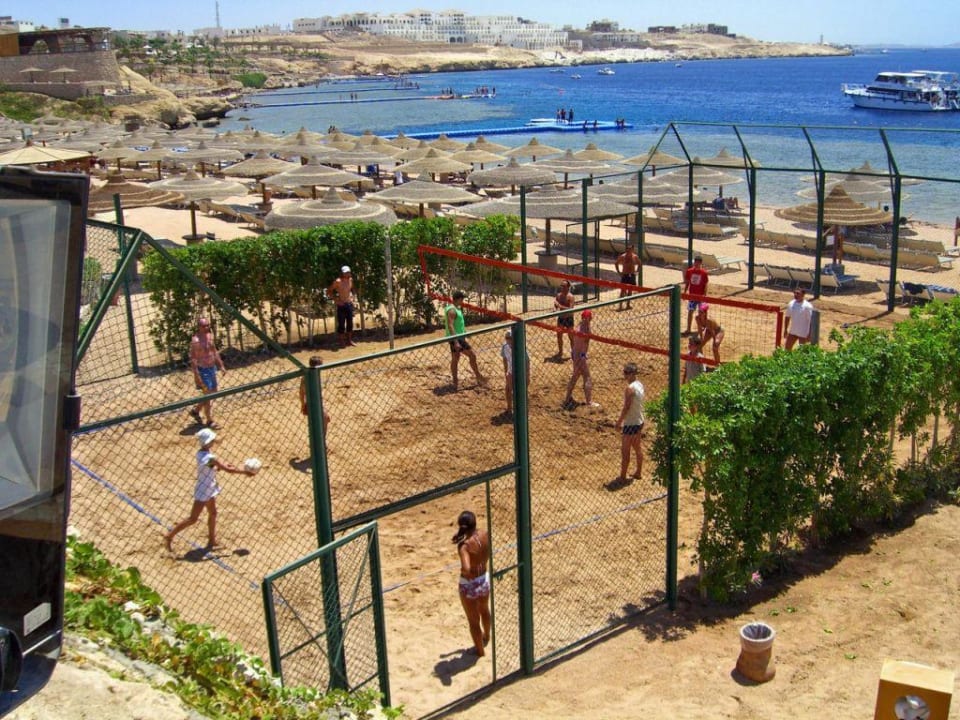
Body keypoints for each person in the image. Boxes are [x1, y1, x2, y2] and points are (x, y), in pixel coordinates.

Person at [164, 428, 255, 551]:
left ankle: (212, 540)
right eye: (212, 440)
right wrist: (245, 472)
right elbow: (228, 470)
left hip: (209, 488)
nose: (214, 441)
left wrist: (220, 467)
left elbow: (212, 467)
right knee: (193, 519)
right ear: (208, 442)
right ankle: (169, 536)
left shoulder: (201, 453)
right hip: (203, 491)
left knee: (213, 513)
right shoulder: (211, 457)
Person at [452, 510, 491, 656]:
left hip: (469, 585)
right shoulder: (484, 535)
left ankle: (480, 652)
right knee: (485, 609)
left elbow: (466, 568)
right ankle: (487, 636)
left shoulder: (464, 547)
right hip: (484, 579)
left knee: (473, 621)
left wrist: (465, 573)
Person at [445, 290, 487, 390]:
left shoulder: (456, 309)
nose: (463, 301)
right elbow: (450, 326)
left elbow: (457, 325)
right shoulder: (452, 310)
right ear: (459, 299)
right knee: (472, 355)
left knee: (456, 358)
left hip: (458, 337)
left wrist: (465, 333)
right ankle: (478, 377)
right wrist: (455, 341)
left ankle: (455, 382)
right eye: (462, 299)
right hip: (457, 338)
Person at [189, 316, 225, 429]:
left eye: (207, 325)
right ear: (199, 327)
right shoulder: (195, 341)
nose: (206, 327)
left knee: (212, 392)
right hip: (203, 370)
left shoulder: (210, 337)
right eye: (204, 326)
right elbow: (193, 359)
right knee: (208, 395)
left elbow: (214, 352)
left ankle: (196, 410)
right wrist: (196, 375)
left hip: (211, 368)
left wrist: (221, 365)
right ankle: (209, 421)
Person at [614, 363, 645, 485]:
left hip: (630, 423)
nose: (624, 375)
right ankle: (638, 472)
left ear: (632, 374)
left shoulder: (630, 389)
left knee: (625, 451)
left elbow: (626, 407)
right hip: (639, 420)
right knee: (637, 448)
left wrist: (618, 422)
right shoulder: (639, 385)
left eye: (626, 373)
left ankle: (622, 476)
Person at [564, 310, 597, 408]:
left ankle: (567, 398)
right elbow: (586, 342)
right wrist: (583, 356)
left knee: (575, 376)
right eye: (590, 316)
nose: (591, 318)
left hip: (575, 353)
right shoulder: (585, 327)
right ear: (587, 318)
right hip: (581, 355)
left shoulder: (578, 325)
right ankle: (589, 402)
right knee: (587, 377)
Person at [501, 329, 530, 415]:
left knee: (521, 391)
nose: (508, 339)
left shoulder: (520, 347)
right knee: (508, 389)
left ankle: (523, 409)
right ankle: (509, 408)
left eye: (510, 338)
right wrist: (506, 372)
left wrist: (527, 374)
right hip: (511, 371)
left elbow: (527, 361)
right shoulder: (505, 347)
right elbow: (504, 359)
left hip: (521, 372)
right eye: (507, 338)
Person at [299, 356, 330, 432]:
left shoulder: (311, 375)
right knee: (325, 419)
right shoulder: (308, 377)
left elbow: (301, 392)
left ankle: (320, 440)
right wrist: (303, 404)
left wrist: (303, 404)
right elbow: (302, 392)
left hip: (316, 402)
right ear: (317, 366)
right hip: (313, 403)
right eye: (321, 364)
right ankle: (321, 440)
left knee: (324, 420)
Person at [328, 265, 356, 348]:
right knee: (341, 324)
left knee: (350, 323)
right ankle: (341, 342)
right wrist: (336, 300)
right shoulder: (338, 281)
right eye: (345, 272)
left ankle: (349, 341)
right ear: (342, 273)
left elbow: (352, 289)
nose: (347, 274)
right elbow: (329, 291)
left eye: (348, 272)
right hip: (341, 305)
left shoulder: (350, 280)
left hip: (349, 304)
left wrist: (353, 297)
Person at [684, 257, 709, 335]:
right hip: (692, 296)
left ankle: (703, 327)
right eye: (695, 262)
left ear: (701, 263)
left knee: (702, 312)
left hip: (701, 296)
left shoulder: (704, 273)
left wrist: (705, 295)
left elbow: (706, 284)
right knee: (690, 312)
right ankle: (688, 329)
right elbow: (688, 282)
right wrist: (685, 291)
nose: (696, 264)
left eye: (698, 263)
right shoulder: (689, 271)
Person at [553, 279, 576, 358]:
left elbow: (570, 309)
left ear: (568, 287)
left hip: (569, 318)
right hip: (561, 318)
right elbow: (556, 304)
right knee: (559, 336)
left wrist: (559, 306)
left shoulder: (571, 297)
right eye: (561, 286)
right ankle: (560, 352)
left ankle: (573, 352)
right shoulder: (559, 295)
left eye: (564, 286)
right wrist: (555, 308)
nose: (562, 287)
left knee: (571, 337)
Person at [615, 244, 640, 310]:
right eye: (627, 249)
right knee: (622, 291)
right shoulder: (623, 256)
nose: (628, 250)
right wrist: (619, 272)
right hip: (625, 275)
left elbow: (640, 264)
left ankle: (628, 305)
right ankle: (620, 306)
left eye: (630, 249)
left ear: (632, 250)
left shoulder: (635, 257)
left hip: (632, 275)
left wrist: (637, 271)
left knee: (630, 290)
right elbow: (616, 263)